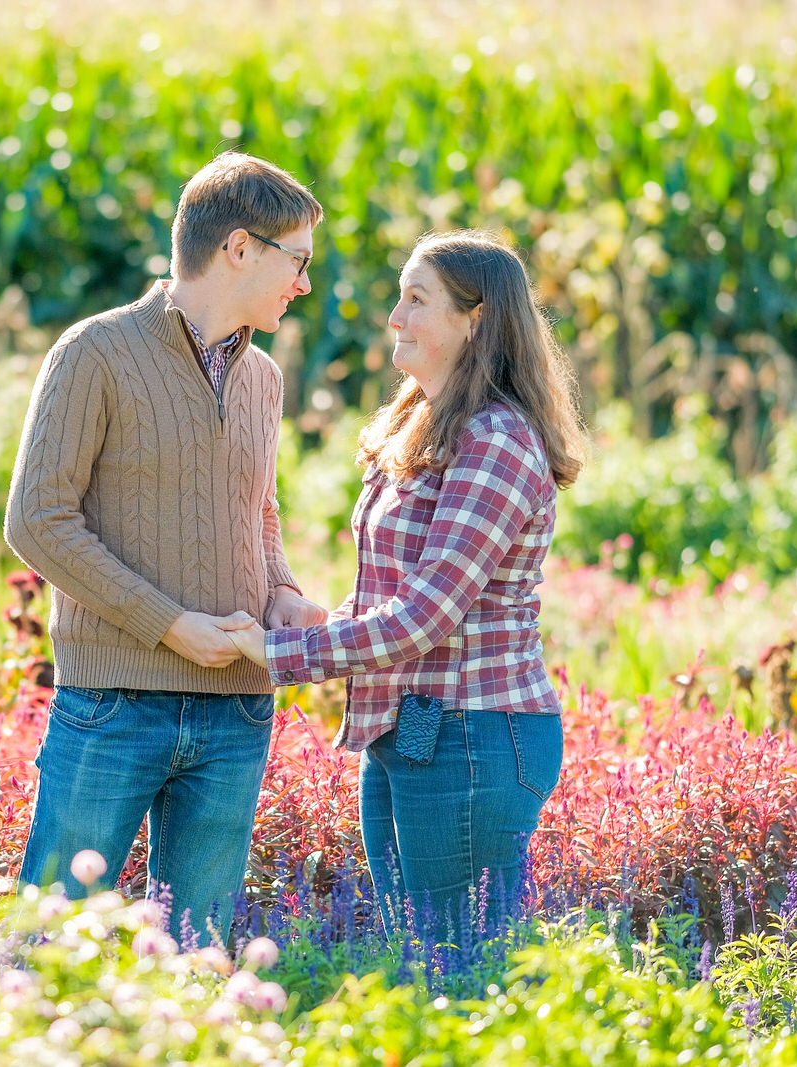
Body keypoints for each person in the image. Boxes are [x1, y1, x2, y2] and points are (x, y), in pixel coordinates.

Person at [225, 230, 586, 949]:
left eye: (415, 299)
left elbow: (426, 615)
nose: (394, 316)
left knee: (461, 967)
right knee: (426, 961)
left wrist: (277, 652)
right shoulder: (425, 420)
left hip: (474, 735)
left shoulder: (497, 440)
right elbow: (395, 589)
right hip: (412, 727)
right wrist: (303, 609)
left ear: (475, 320)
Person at [4, 151, 327, 944]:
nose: (306, 285)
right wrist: (167, 622)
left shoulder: (264, 379)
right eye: (299, 261)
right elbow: (36, 520)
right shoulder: (95, 353)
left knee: (196, 957)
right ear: (240, 248)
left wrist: (280, 586)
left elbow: (260, 509)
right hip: (116, 702)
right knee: (45, 947)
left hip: (238, 709)